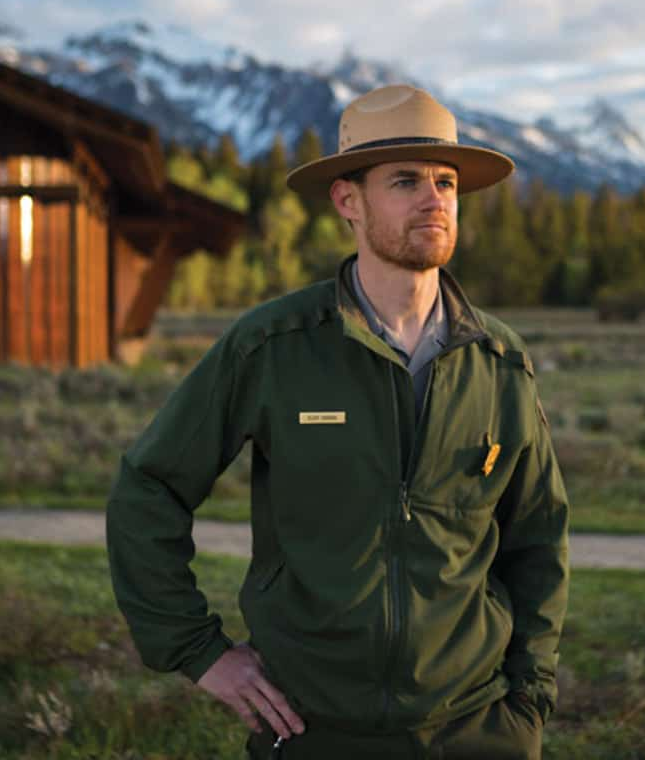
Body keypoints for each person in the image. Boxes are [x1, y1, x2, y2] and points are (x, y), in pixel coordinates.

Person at [106, 84, 569, 759]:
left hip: (475, 727)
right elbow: (149, 487)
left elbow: (539, 540)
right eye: (405, 181)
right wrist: (200, 652)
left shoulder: (500, 363)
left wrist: (529, 698)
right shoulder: (272, 346)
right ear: (348, 201)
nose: (434, 198)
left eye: (446, 182)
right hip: (312, 729)